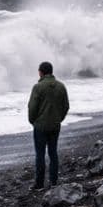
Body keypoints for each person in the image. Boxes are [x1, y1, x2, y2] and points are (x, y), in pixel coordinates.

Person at [27, 61, 69, 190]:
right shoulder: (61, 86)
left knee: (40, 154)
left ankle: (39, 184)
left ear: (41, 72)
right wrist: (59, 119)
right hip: (55, 125)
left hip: (40, 126)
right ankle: (54, 181)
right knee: (53, 153)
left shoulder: (38, 87)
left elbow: (32, 107)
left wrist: (33, 121)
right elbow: (65, 106)